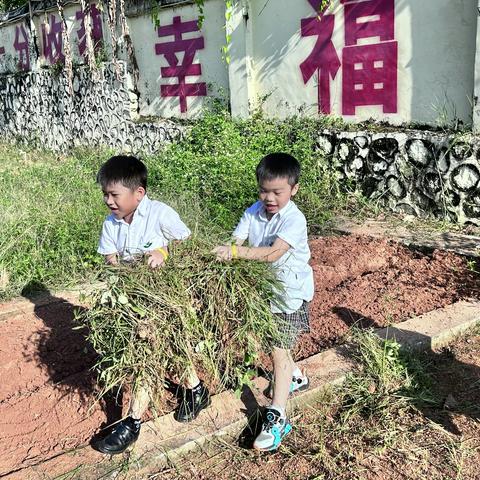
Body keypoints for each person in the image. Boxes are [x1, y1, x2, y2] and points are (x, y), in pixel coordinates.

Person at [93, 155, 210, 455]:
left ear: (138, 194)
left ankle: (132, 423)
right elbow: (111, 261)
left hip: (167, 297)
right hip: (133, 300)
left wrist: (164, 252)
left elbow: (187, 245)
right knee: (168, 349)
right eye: (105, 194)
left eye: (114, 195)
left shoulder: (160, 214)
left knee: (149, 354)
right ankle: (197, 391)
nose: (109, 201)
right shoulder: (111, 223)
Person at [213, 152, 314, 451]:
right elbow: (237, 241)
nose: (269, 198)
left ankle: (277, 416)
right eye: (264, 190)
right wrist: (226, 251)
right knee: (272, 341)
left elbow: (271, 254)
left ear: (293, 189)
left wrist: (233, 254)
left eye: (277, 192)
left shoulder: (294, 219)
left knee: (277, 352)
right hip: (263, 293)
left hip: (288, 296)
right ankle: (295, 376)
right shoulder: (253, 212)